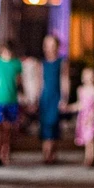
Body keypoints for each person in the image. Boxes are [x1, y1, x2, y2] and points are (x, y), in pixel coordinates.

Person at [0, 44, 23, 166]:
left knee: (8, 129)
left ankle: (5, 152)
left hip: (12, 100)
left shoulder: (17, 64)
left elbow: (19, 83)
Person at [38, 35, 69, 164]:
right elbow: (40, 81)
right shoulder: (42, 63)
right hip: (45, 97)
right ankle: (46, 153)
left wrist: (64, 98)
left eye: (53, 45)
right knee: (45, 125)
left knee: (53, 124)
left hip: (56, 96)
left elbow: (64, 80)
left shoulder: (62, 62)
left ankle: (51, 153)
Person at [72, 67, 94, 167]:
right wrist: (69, 108)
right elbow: (80, 104)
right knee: (87, 138)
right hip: (83, 117)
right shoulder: (80, 90)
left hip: (91, 117)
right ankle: (88, 157)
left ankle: (90, 158)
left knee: (91, 138)